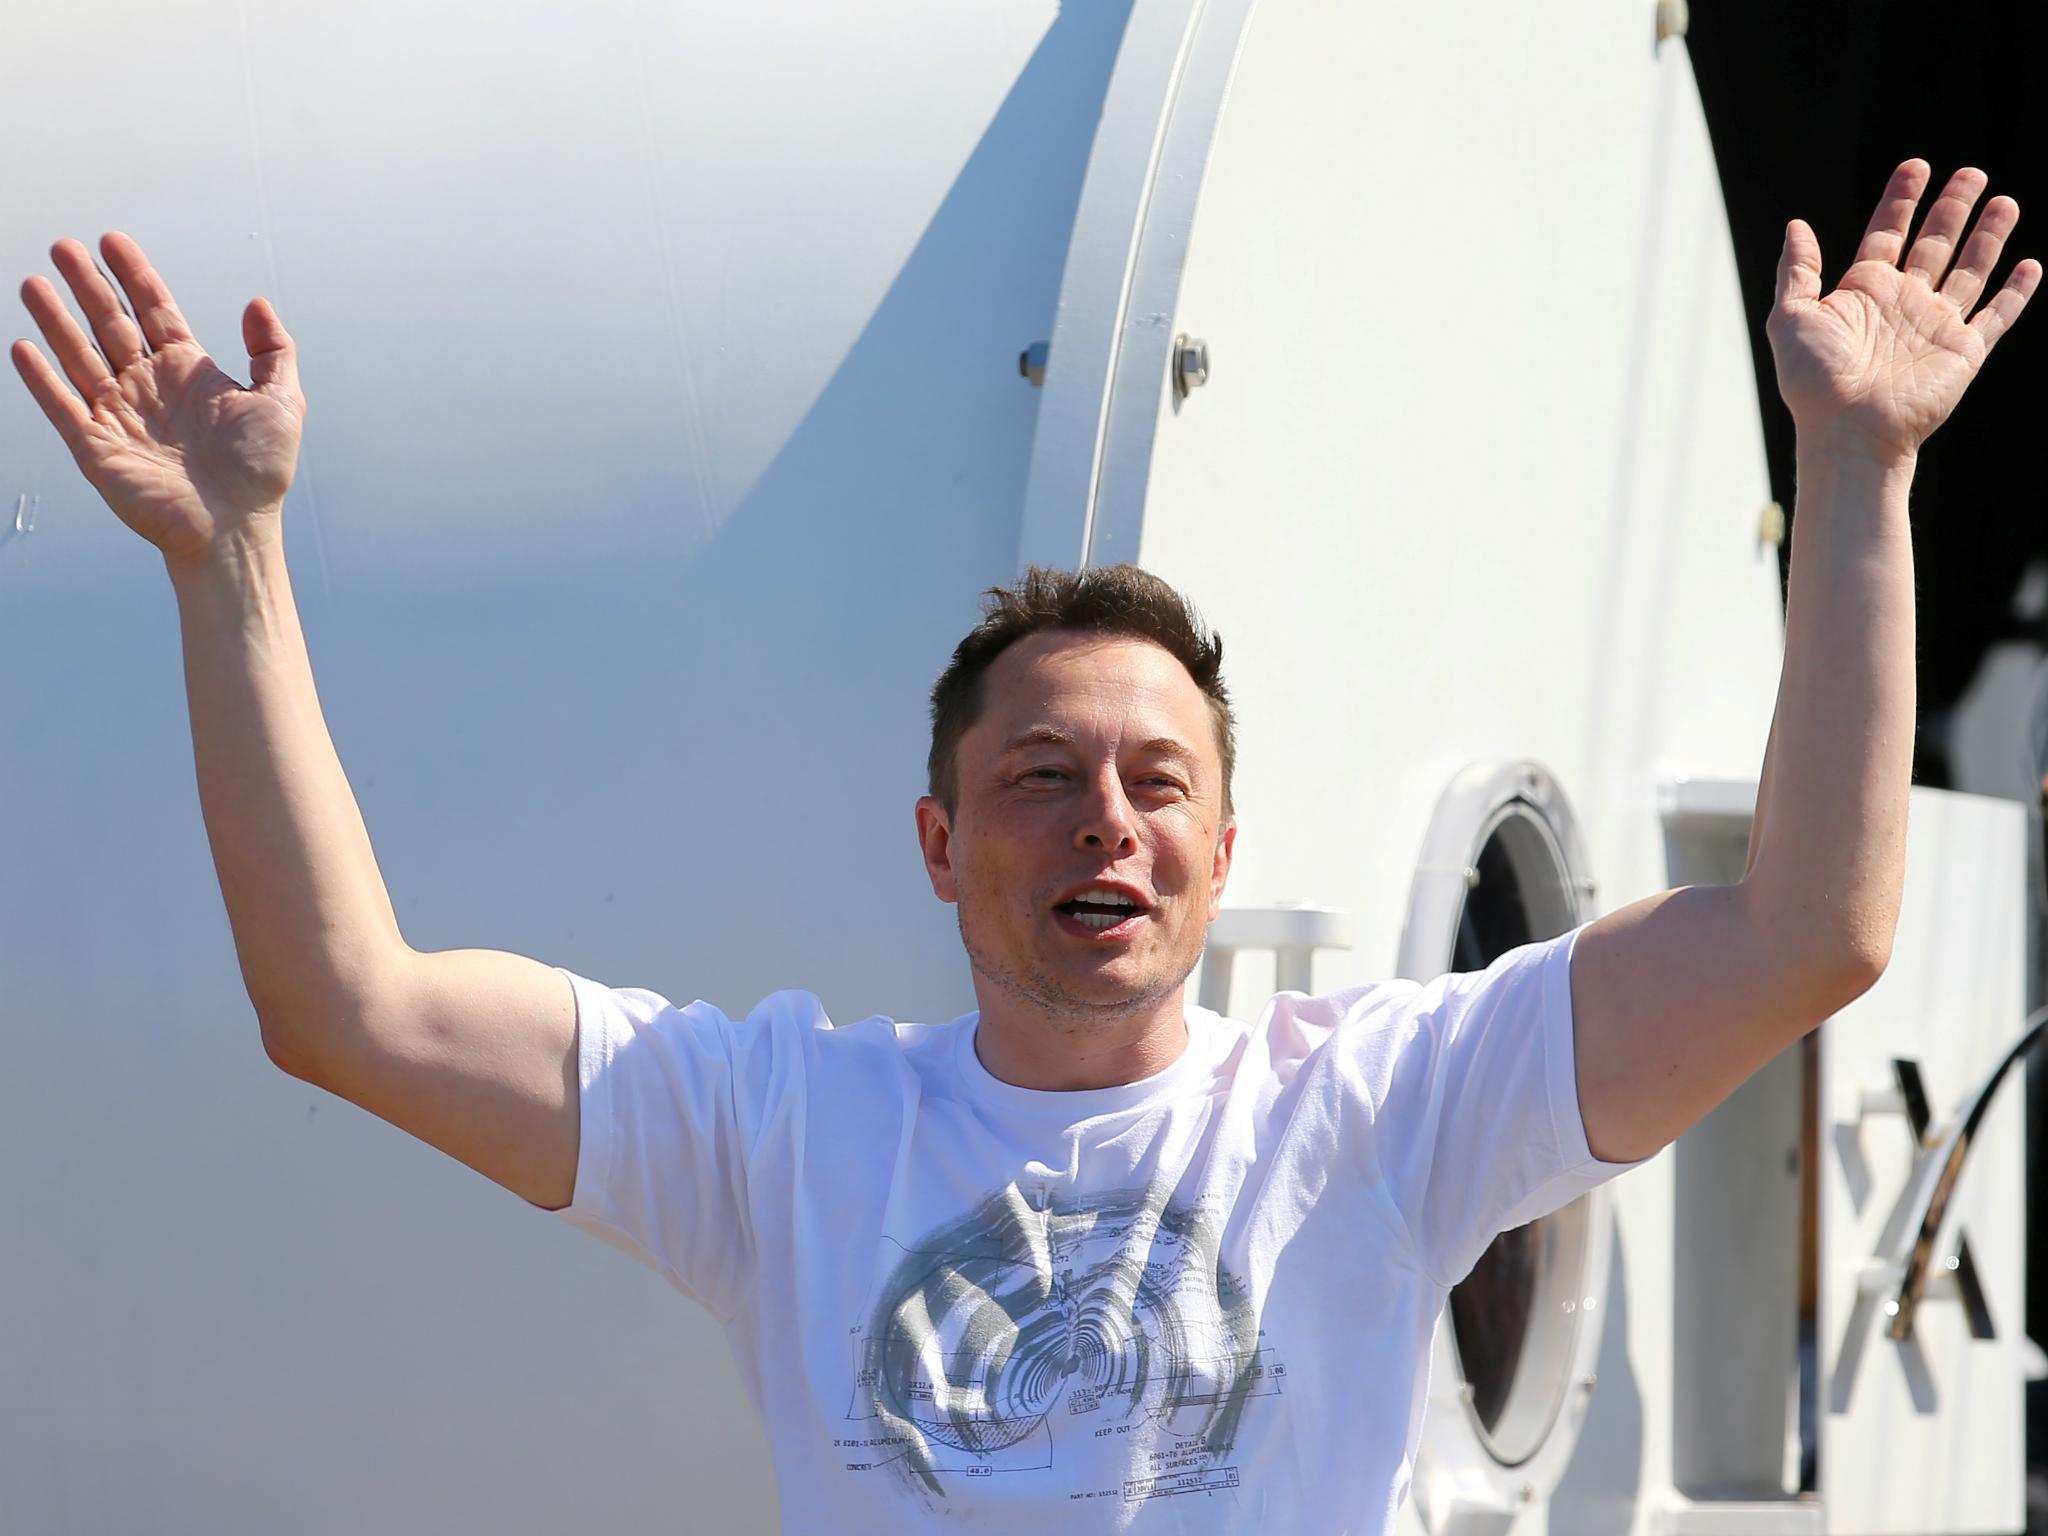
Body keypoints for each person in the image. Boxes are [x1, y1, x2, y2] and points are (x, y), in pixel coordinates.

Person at [10, 159, 2036, 1533]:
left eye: (1158, 784)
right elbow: (345, 1009)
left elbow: (1808, 932)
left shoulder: (1388, 1108)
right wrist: (232, 562)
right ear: (935, 844)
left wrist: (1854, 466)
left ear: (1225, 848)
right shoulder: (775, 1132)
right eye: (1041, 777)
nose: (1105, 822)